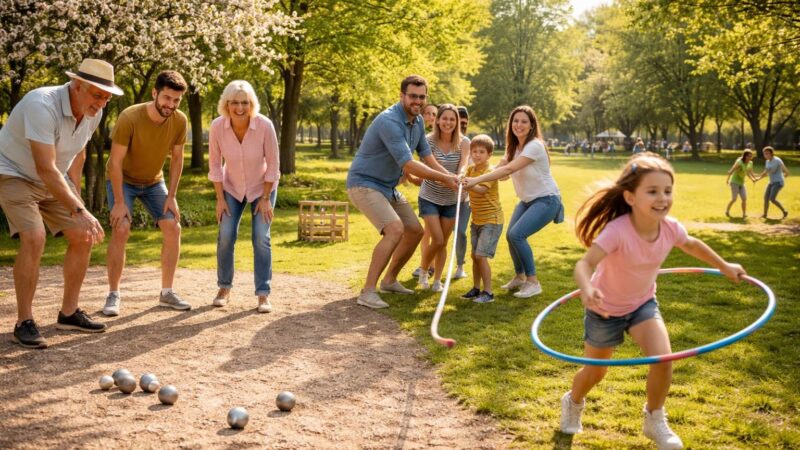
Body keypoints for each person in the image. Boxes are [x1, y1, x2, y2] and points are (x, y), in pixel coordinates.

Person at [560, 152, 746, 450]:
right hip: (604, 309)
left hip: (642, 305)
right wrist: (586, 288)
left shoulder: (670, 227)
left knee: (664, 359)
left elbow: (692, 245)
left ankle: (654, 418)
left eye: (667, 191)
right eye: (653, 191)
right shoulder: (617, 231)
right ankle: (574, 401)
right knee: (596, 372)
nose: (663, 198)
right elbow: (584, 264)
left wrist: (725, 266)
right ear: (630, 197)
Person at [0, 59, 122, 348]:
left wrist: (75, 199)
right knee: (34, 236)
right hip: (13, 172)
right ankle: (24, 321)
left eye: (107, 97)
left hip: (52, 178)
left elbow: (76, 156)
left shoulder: (94, 113)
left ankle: (68, 312)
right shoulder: (41, 104)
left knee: (84, 234)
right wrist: (79, 209)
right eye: (97, 94)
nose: (102, 102)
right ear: (76, 85)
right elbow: (45, 167)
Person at [346, 75, 459, 309]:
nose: (417, 101)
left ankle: (389, 281)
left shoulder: (417, 122)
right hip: (364, 183)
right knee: (395, 229)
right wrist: (445, 178)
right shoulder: (390, 121)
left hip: (387, 186)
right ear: (402, 96)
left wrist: (451, 179)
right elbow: (408, 164)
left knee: (415, 231)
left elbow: (427, 156)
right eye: (413, 96)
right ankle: (368, 291)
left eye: (422, 97)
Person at [103, 70, 190, 316]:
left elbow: (177, 159)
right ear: (155, 93)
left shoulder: (180, 120)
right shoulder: (130, 116)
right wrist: (119, 202)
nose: (170, 105)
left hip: (154, 182)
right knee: (121, 228)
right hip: (124, 181)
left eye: (176, 100)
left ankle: (167, 293)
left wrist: (171, 196)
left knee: (173, 227)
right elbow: (115, 163)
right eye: (166, 98)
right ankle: (113, 294)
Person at [464, 105, 564, 298]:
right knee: (511, 235)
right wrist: (474, 171)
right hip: (527, 200)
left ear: (531, 125)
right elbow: (500, 168)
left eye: (524, 121)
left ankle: (533, 282)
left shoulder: (534, 145)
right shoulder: (514, 147)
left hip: (547, 199)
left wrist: (477, 180)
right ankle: (519, 276)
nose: (518, 125)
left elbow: (508, 170)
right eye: (515, 121)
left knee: (517, 235)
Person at [208, 80, 280, 313]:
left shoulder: (264, 126)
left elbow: (273, 165)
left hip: (263, 188)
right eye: (235, 103)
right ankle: (224, 288)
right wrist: (220, 199)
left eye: (245, 103)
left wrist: (266, 197)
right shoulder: (217, 127)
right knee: (226, 234)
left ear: (252, 104)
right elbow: (215, 166)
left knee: (261, 237)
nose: (240, 108)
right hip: (231, 188)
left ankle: (263, 294)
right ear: (226, 104)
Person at [414, 104, 470, 292]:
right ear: (437, 120)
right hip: (429, 197)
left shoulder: (464, 142)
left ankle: (437, 280)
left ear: (457, 122)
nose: (448, 122)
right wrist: (449, 178)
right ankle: (423, 270)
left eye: (452, 119)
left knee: (443, 242)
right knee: (437, 240)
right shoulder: (427, 141)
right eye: (444, 118)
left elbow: (463, 165)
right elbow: (430, 168)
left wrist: (460, 175)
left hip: (452, 200)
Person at [460, 135, 503, 304]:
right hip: (477, 220)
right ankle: (476, 288)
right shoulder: (471, 170)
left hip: (491, 220)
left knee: (481, 255)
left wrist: (467, 184)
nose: (477, 155)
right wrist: (461, 181)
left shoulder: (490, 172)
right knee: (474, 255)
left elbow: (480, 190)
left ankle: (488, 292)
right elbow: (465, 180)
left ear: (489, 154)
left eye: (481, 152)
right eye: (474, 152)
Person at [453, 105, 472, 279]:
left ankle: (460, 265)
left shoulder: (468, 143)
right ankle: (429, 267)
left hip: (464, 198)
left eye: (465, 123)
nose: (463, 126)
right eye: (461, 123)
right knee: (438, 235)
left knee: (460, 232)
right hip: (442, 196)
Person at [756, 146, 789, 219]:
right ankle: (765, 214)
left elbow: (785, 170)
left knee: (772, 199)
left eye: (767, 153)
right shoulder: (767, 161)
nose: (766, 155)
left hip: (778, 182)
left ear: (771, 153)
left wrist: (784, 175)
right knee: (766, 198)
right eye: (764, 154)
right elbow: (767, 173)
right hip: (771, 182)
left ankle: (784, 211)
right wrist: (758, 178)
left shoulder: (777, 160)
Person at [725, 149, 757, 218]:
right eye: (748, 156)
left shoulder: (750, 163)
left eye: (751, 156)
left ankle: (744, 214)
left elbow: (749, 172)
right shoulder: (739, 162)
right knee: (734, 199)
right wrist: (727, 180)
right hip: (734, 182)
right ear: (745, 156)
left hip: (742, 183)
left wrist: (753, 179)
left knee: (744, 198)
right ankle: (727, 211)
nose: (750, 158)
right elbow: (731, 171)